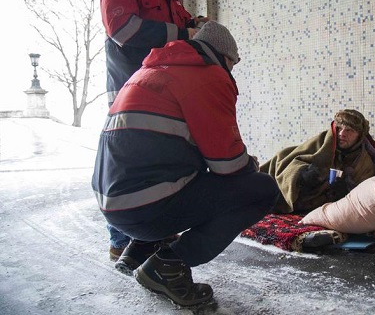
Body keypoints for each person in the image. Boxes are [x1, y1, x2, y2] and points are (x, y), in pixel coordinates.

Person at [91, 21, 280, 306]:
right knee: (262, 188)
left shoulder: (147, 72)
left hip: (115, 207)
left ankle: (141, 250)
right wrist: (249, 165)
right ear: (225, 56)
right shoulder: (209, 75)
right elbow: (227, 164)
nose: (231, 70)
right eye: (233, 63)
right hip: (146, 209)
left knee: (180, 166)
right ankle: (167, 266)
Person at [100, 0, 209, 261]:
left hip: (164, 93)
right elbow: (123, 30)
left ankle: (154, 232)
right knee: (127, 165)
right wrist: (182, 32)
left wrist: (193, 23)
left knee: (160, 162)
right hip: (129, 91)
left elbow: (176, 28)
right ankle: (120, 241)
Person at [260, 109, 375, 213]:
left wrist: (343, 190)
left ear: (360, 136)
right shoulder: (324, 140)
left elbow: (362, 196)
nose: (342, 134)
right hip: (301, 189)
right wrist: (303, 174)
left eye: (349, 130)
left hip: (324, 202)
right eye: (339, 128)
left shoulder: (363, 162)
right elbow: (294, 158)